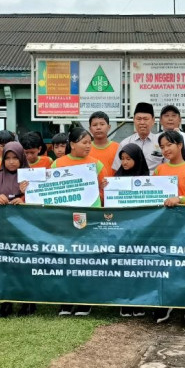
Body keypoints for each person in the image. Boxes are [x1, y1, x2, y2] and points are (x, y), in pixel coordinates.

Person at [53, 127, 107, 317]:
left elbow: (105, 193)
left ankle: (85, 301)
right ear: (72, 144)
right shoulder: (58, 164)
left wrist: (104, 188)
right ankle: (66, 301)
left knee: (87, 259)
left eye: (89, 142)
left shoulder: (97, 164)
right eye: (84, 142)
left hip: (90, 219)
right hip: (65, 219)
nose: (88, 146)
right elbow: (51, 191)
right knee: (66, 259)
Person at [154, 130, 185, 326]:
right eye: (162, 146)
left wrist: (180, 199)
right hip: (165, 228)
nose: (166, 149)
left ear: (180, 145)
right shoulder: (159, 171)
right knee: (165, 266)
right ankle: (165, 304)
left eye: (169, 145)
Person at [0, 141, 35, 318]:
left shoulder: (30, 177)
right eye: (7, 158)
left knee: (25, 263)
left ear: (21, 158)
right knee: (4, 263)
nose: (11, 162)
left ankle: (27, 302)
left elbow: (40, 197)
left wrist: (24, 198)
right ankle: (5, 302)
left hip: (25, 229)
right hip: (3, 228)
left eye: (15, 158)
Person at [113, 143, 150, 319]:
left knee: (140, 267)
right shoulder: (116, 178)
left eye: (128, 159)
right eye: (122, 159)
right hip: (122, 231)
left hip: (141, 231)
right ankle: (124, 302)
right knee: (124, 267)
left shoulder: (147, 180)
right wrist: (107, 186)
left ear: (138, 159)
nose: (125, 162)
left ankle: (140, 302)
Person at [113, 102, 163, 174]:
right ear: (134, 120)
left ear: (153, 120)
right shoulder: (125, 143)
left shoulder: (160, 143)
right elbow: (117, 169)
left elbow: (168, 167)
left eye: (145, 119)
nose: (142, 122)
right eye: (139, 119)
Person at [89, 111, 118, 176]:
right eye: (94, 125)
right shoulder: (85, 149)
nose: (98, 127)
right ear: (90, 129)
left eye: (102, 124)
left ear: (109, 127)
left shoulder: (118, 148)